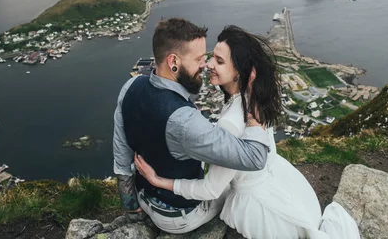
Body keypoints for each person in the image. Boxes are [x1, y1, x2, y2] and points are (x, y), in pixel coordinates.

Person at [134, 25, 361, 239]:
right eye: (212, 56)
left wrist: (159, 181)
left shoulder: (230, 124)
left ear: (239, 73)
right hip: (282, 184)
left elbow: (212, 189)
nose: (209, 64)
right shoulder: (254, 99)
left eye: (219, 61)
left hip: (260, 206)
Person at [113, 18, 272, 235]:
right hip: (179, 217)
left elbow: (122, 154)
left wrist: (131, 205)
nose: (204, 65)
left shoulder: (131, 85)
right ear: (173, 62)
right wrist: (254, 117)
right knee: (240, 191)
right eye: (199, 59)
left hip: (143, 196)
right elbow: (255, 158)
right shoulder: (185, 121)